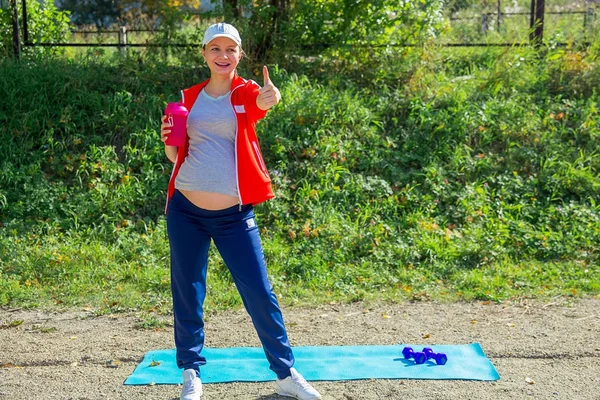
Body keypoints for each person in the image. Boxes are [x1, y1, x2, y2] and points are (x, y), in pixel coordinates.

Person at [160, 22, 322, 400]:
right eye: (215, 49)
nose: (222, 56)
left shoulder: (246, 91)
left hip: (233, 213)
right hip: (185, 209)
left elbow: (260, 104)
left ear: (240, 54)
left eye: (230, 49)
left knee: (259, 292)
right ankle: (191, 374)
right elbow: (175, 156)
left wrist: (270, 98)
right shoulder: (188, 99)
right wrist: (169, 137)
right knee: (188, 291)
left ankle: (285, 374)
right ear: (204, 54)